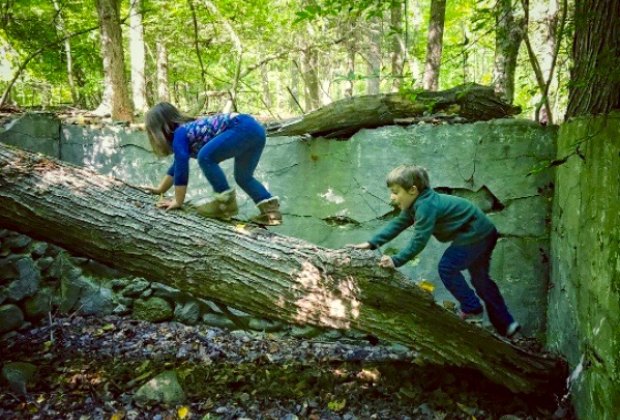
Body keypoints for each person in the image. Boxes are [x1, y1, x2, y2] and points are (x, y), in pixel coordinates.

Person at [350, 164, 520, 338]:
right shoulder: (418, 204)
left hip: (475, 233)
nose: (391, 197)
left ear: (412, 190)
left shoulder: (425, 206)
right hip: (484, 231)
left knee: (447, 267)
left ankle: (472, 309)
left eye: (395, 192)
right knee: (481, 279)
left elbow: (419, 240)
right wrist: (371, 243)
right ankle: (507, 325)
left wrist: (396, 260)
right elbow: (397, 224)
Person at [143, 102, 281, 226]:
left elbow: (181, 166)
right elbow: (176, 167)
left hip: (241, 126)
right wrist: (160, 189)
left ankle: (225, 203)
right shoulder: (187, 132)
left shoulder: (181, 132)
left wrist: (178, 201)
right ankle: (271, 212)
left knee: (205, 157)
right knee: (244, 177)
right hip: (255, 130)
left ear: (160, 129)